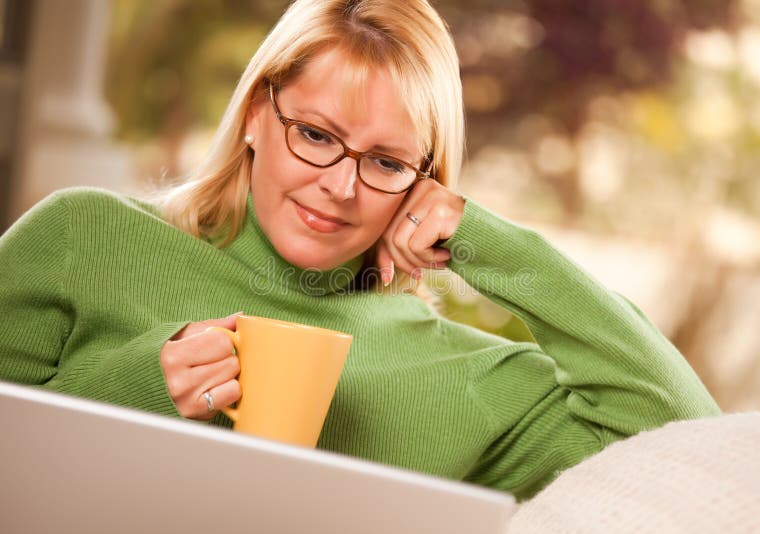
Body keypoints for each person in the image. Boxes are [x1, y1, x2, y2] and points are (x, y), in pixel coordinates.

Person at [0, 0, 719, 501]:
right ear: (256, 111)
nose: (339, 186)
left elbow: (692, 444)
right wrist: (139, 390)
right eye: (314, 134)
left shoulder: (467, 376)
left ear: (426, 182)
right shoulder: (83, 238)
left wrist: (491, 244)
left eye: (385, 162)